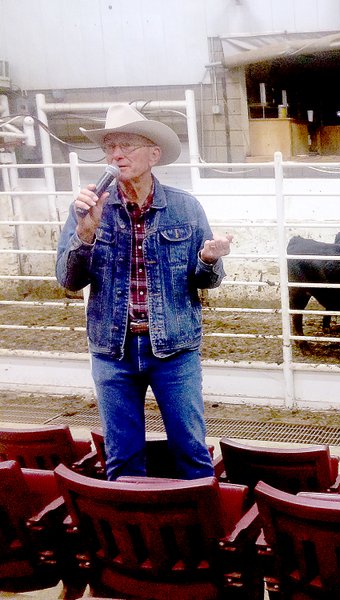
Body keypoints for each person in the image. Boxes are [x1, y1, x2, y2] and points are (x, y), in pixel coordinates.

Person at [56, 104, 232, 480]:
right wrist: (86, 232)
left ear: (154, 154)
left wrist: (207, 258)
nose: (116, 154)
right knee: (121, 458)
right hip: (112, 350)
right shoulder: (87, 209)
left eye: (128, 145)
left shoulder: (184, 208)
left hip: (174, 350)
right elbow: (68, 281)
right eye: (110, 147)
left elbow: (207, 281)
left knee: (191, 451)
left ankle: (202, 534)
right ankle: (130, 534)